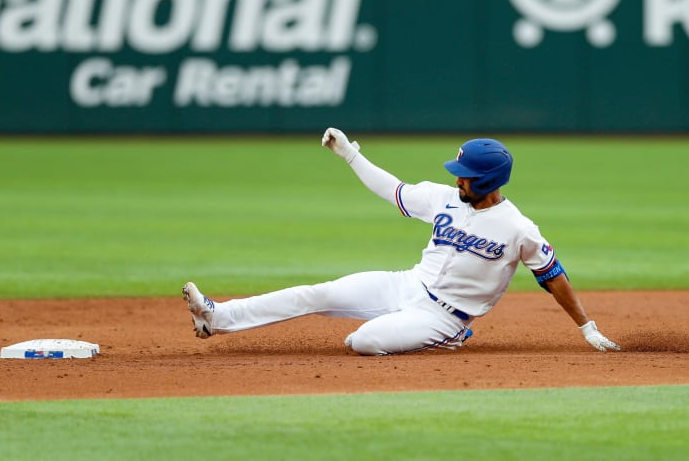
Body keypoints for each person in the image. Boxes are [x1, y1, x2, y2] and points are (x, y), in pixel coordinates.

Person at [182, 128, 620, 355]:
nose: (456, 176)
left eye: (464, 173)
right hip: (405, 285)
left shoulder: (518, 228)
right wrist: (351, 155)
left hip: (445, 317)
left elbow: (553, 275)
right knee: (318, 293)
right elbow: (392, 189)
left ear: (486, 180)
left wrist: (586, 327)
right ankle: (217, 317)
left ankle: (452, 339)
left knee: (361, 342)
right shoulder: (444, 198)